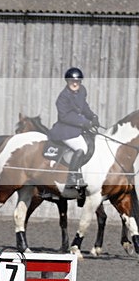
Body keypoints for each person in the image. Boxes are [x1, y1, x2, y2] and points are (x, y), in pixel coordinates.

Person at [47, 67, 99, 198]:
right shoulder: (62, 97)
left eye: (78, 81)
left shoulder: (82, 91)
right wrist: (85, 123)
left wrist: (92, 117)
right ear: (67, 81)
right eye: (72, 81)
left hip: (78, 127)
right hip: (65, 129)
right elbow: (65, 116)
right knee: (81, 147)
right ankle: (71, 178)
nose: (75, 83)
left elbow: (84, 107)